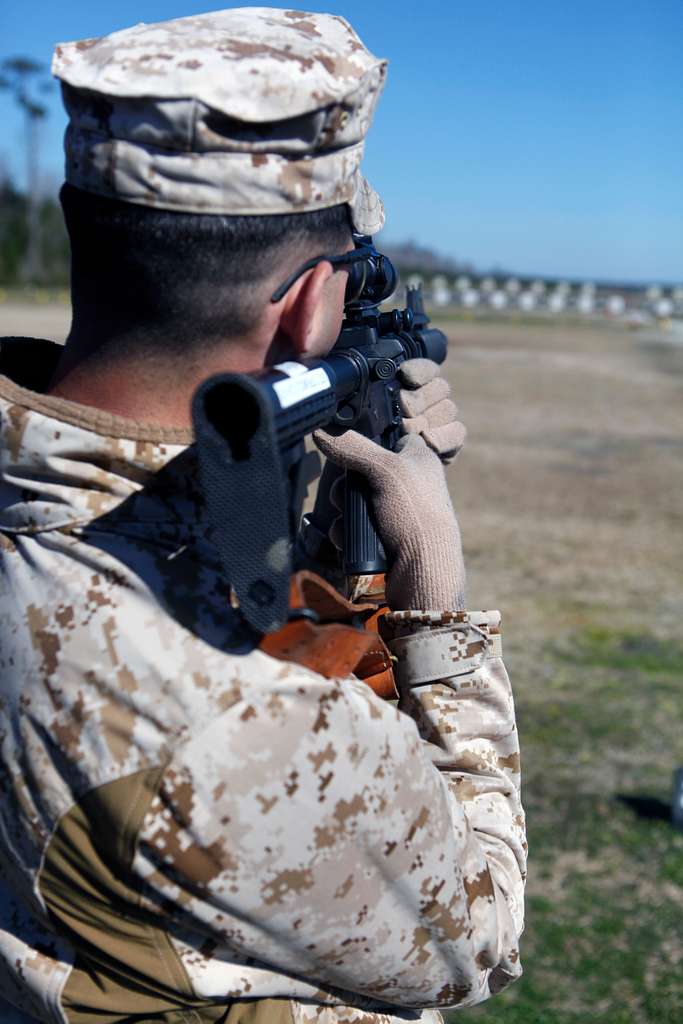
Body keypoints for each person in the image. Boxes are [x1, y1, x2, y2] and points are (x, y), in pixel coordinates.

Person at [0, 9, 526, 1024]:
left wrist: (335, 539)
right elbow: (477, 932)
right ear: (309, 304)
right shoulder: (248, 718)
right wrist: (435, 605)